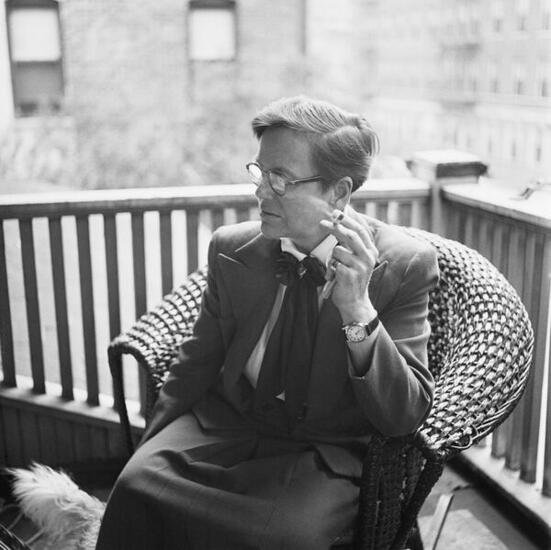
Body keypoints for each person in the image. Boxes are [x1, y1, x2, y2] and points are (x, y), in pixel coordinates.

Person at [96, 96, 439, 550]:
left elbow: (404, 414)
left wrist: (357, 309)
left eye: (280, 179)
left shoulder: (403, 266)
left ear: (338, 192)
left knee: (284, 539)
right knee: (134, 488)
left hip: (322, 451)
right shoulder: (231, 248)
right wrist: (150, 444)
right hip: (226, 425)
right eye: (260, 173)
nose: (260, 192)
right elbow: (196, 360)